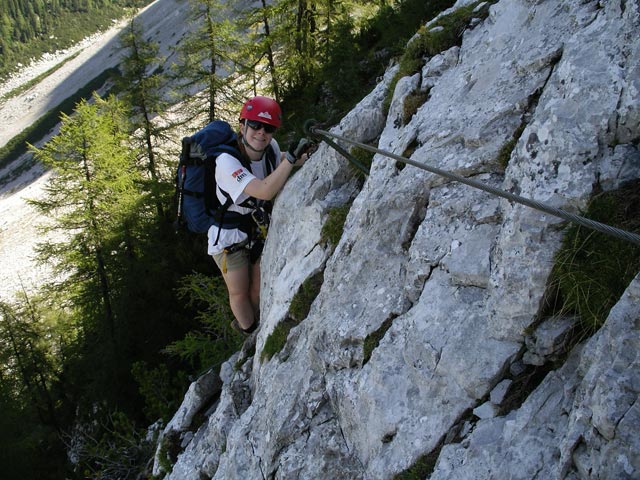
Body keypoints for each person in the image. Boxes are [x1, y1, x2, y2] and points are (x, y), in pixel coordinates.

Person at [208, 96, 309, 335]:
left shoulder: (270, 148)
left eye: (269, 128)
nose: (261, 133)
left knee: (257, 289)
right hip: (228, 237)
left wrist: (304, 155)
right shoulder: (226, 162)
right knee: (239, 292)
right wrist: (293, 160)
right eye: (255, 125)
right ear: (242, 125)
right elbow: (264, 189)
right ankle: (249, 332)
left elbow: (281, 159)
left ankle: (258, 324)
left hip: (254, 227)